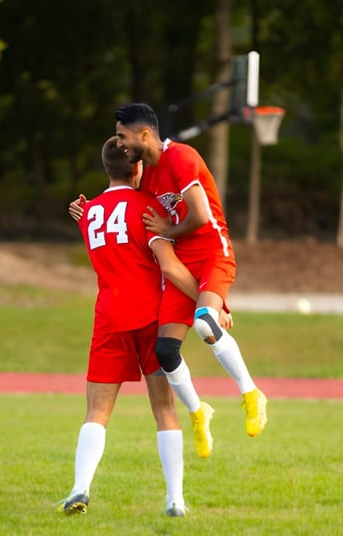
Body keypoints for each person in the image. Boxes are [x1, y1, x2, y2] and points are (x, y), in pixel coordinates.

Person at [71, 103, 267, 457]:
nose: (120, 142)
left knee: (206, 323)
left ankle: (251, 392)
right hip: (180, 266)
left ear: (143, 134)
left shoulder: (181, 158)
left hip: (211, 255)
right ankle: (198, 411)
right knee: (165, 351)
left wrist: (169, 230)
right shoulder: (147, 177)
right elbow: (126, 206)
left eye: (121, 134)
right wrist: (91, 212)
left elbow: (201, 215)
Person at [57, 137, 202, 518]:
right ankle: (174, 500)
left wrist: (86, 210)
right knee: (163, 409)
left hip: (108, 320)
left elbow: (104, 229)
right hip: (150, 319)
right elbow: (169, 266)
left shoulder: (88, 214)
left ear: (106, 169)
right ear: (138, 168)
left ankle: (79, 487)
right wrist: (208, 300)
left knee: (96, 413)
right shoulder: (148, 207)